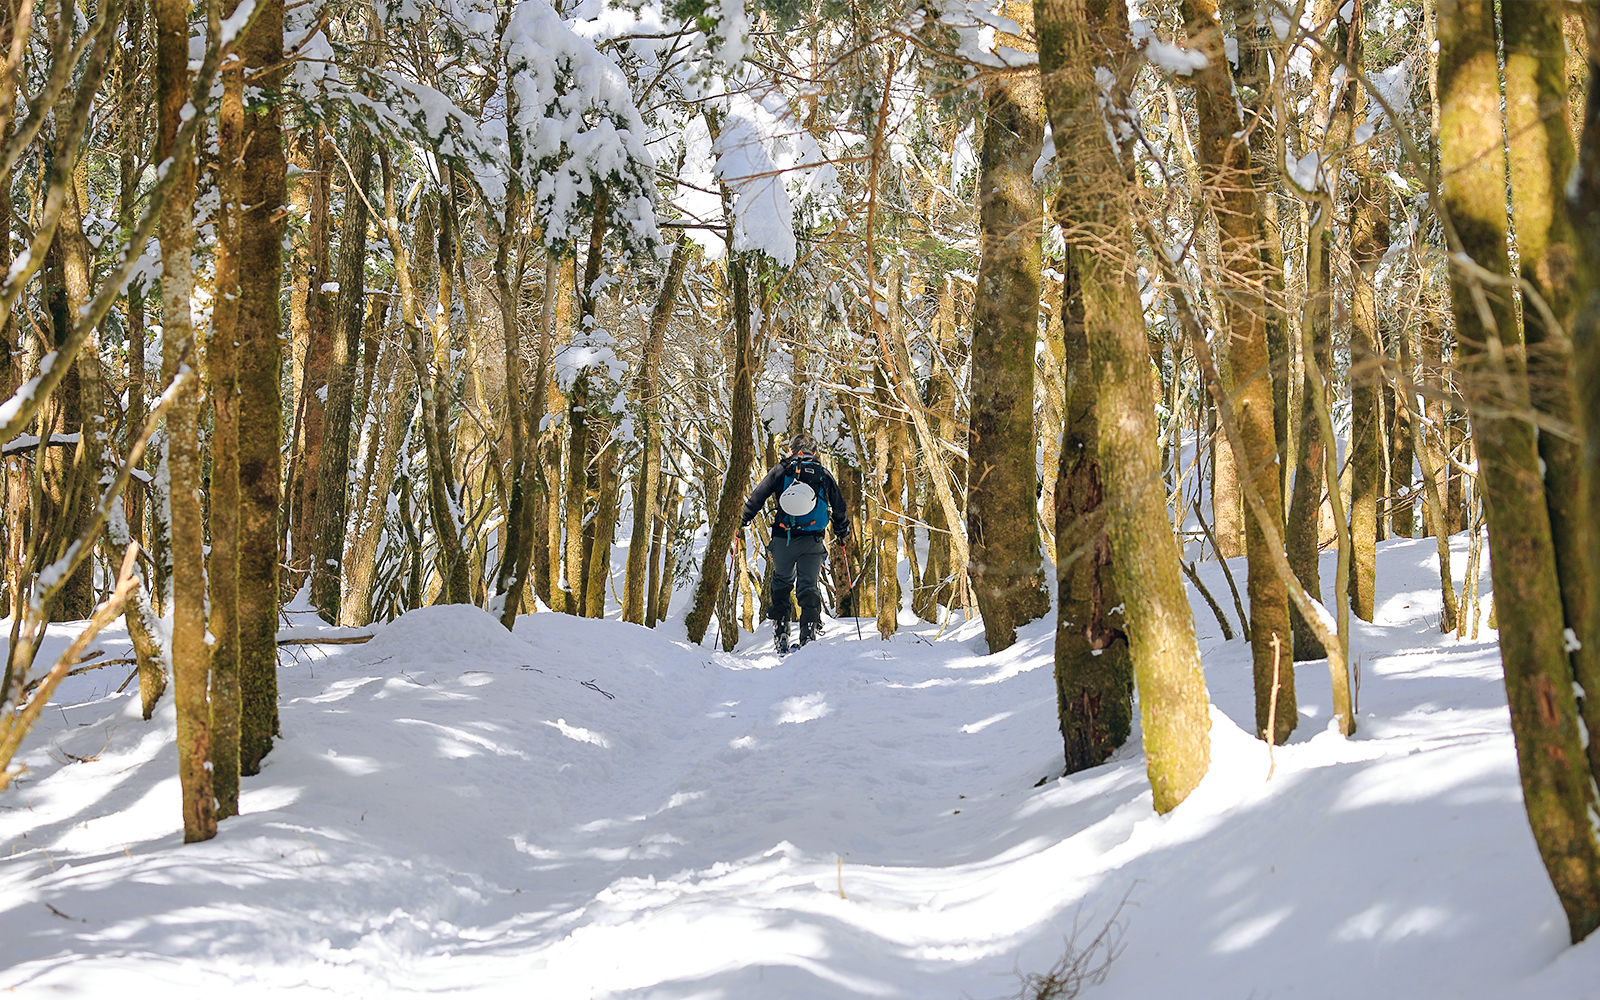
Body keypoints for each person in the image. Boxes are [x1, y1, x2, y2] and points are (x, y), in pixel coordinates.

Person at [740, 431, 851, 653]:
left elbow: (757, 497)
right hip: (813, 540)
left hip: (784, 538)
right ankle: (808, 636)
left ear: (790, 450)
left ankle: (781, 633)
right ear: (815, 451)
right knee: (808, 586)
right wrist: (841, 532)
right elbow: (839, 506)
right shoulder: (822, 473)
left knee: (781, 584)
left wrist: (742, 520)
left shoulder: (782, 470)